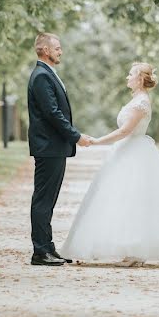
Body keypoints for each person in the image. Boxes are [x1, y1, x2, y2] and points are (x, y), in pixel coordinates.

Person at [60, 62, 159, 265]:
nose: (127, 77)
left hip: (135, 153)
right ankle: (131, 251)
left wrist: (97, 141)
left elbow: (124, 131)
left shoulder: (141, 103)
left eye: (130, 74)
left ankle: (135, 252)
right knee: (123, 199)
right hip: (127, 151)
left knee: (134, 200)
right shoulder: (137, 100)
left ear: (139, 79)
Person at [27, 32, 93, 266]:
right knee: (43, 200)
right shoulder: (42, 76)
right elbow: (52, 113)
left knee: (48, 199)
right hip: (48, 147)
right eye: (56, 48)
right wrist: (76, 137)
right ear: (44, 50)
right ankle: (40, 252)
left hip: (53, 147)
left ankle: (48, 248)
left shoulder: (46, 74)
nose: (60, 51)